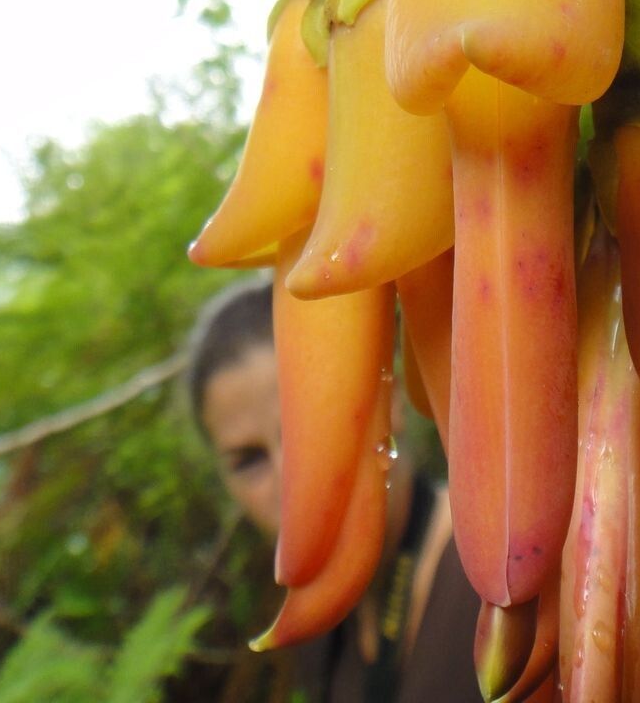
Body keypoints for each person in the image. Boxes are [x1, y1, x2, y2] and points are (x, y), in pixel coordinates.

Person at [186, 275, 485, 703]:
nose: (291, 483)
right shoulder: (315, 630)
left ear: (391, 402)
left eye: (309, 424)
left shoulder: (500, 580)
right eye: (249, 461)